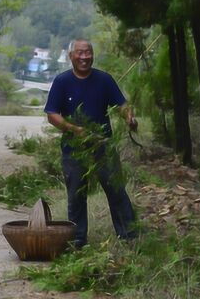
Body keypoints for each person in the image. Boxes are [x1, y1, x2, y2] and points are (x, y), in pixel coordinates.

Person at [44, 38, 138, 248]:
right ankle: (77, 240)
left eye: (88, 52)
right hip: (74, 150)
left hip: (104, 146)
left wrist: (129, 118)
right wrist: (74, 129)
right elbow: (52, 114)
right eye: (80, 53)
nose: (84, 57)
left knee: (116, 191)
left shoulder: (104, 80)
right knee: (76, 195)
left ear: (92, 55)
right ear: (71, 56)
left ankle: (130, 237)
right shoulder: (62, 81)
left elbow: (122, 104)